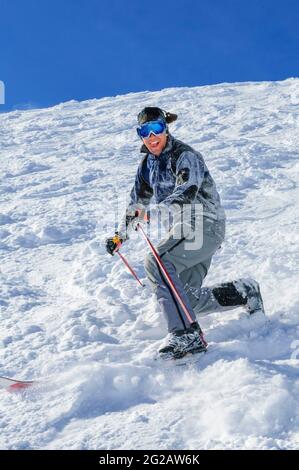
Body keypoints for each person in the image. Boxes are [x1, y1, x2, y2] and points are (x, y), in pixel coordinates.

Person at [106, 107, 264, 360]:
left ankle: (185, 334)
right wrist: (120, 236)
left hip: (202, 222)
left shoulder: (185, 155)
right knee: (185, 299)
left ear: (166, 128)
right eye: (143, 132)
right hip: (186, 231)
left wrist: (152, 214)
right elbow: (137, 204)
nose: (151, 136)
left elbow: (186, 193)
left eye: (156, 128)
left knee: (156, 262)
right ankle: (244, 292)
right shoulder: (147, 165)